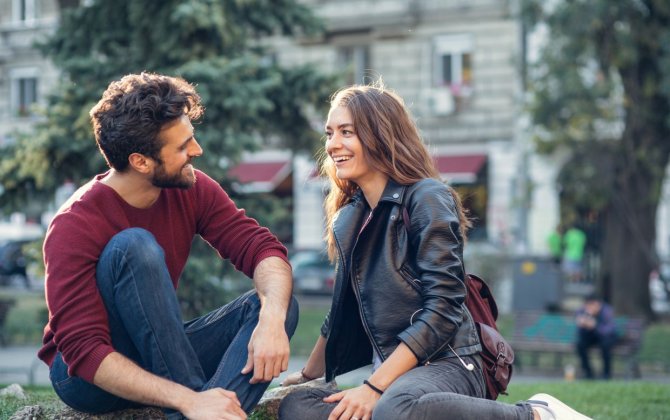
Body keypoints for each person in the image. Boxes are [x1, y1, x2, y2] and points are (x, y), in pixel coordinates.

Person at [279, 82, 591, 420]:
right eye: (329, 133)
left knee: (395, 407)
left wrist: (374, 387)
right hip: (396, 373)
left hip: (451, 362)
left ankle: (536, 414)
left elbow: (444, 309)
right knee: (298, 407)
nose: (333, 144)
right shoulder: (350, 218)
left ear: (379, 135)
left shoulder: (426, 197)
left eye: (346, 132)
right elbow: (340, 313)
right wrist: (308, 378)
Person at [38, 73, 299, 420]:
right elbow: (84, 351)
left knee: (279, 305)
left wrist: (271, 319)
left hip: (161, 353)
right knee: (134, 247)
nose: (197, 150)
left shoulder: (193, 188)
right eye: (182, 146)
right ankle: (194, 405)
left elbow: (261, 248)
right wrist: (188, 399)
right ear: (141, 162)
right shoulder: (75, 223)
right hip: (88, 377)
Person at [575, 294, 618, 380]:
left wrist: (595, 326)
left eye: (592, 305)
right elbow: (580, 332)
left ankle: (606, 374)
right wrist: (582, 325)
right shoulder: (582, 311)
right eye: (588, 305)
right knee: (580, 345)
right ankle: (588, 373)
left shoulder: (606, 311)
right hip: (592, 336)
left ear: (598, 304)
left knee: (605, 346)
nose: (590, 307)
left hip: (606, 337)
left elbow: (610, 330)